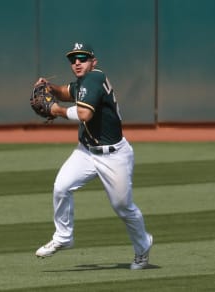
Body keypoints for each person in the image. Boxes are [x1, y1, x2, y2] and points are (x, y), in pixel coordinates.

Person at [34, 42, 153, 270]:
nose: (77, 62)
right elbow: (66, 92)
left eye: (82, 58)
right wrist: (50, 88)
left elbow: (84, 114)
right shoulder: (84, 82)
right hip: (86, 152)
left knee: (123, 207)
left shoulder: (95, 79)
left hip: (114, 156)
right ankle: (63, 237)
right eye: (73, 59)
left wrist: (56, 111)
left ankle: (143, 246)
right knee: (61, 187)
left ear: (93, 62)